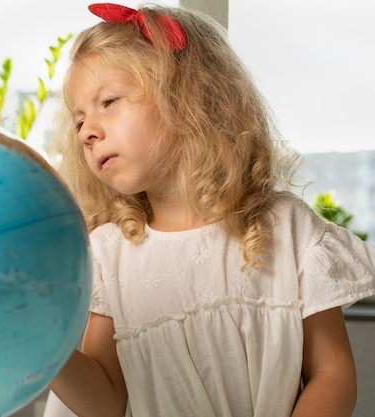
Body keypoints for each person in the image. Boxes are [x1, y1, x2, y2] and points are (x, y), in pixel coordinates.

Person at [45, 3, 375, 417]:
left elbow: (333, 374)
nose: (88, 132)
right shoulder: (109, 254)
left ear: (185, 98)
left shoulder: (287, 229)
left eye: (108, 101)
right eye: (78, 122)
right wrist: (44, 345)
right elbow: (107, 402)